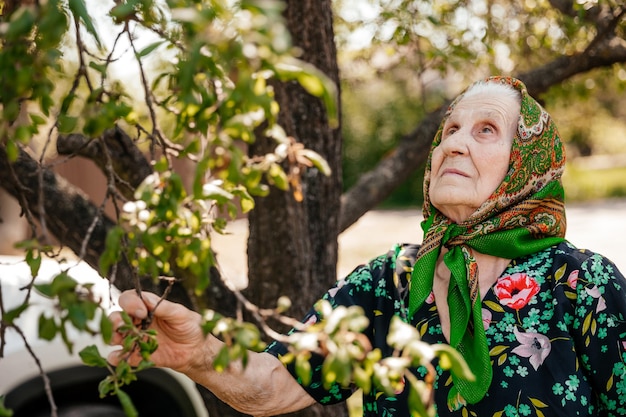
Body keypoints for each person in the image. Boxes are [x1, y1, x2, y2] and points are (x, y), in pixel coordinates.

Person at [108, 76, 626, 416]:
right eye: (449, 130)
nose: (453, 144)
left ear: (528, 163)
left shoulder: (584, 286)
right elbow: (272, 383)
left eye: (486, 130)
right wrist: (199, 352)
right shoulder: (391, 283)